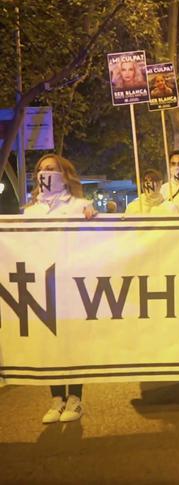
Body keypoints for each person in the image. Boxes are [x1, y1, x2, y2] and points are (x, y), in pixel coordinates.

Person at [25, 153, 96, 423]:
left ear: (65, 175)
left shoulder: (80, 205)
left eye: (52, 169)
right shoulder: (30, 211)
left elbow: (96, 239)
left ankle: (75, 398)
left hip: (73, 284)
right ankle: (56, 399)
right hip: (44, 285)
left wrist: (93, 218)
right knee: (50, 341)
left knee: (72, 340)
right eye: (42, 169)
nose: (46, 173)